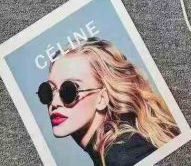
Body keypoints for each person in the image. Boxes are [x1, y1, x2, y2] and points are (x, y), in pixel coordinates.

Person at [36, 38, 180, 166]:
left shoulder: (124, 156)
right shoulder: (117, 149)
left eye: (68, 91)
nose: (54, 103)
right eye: (48, 91)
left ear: (102, 99)